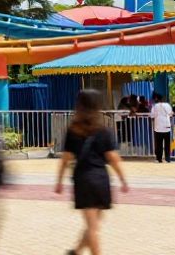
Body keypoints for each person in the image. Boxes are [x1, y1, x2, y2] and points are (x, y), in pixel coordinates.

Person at [54, 89, 129, 255]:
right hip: (101, 180)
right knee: (94, 225)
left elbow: (66, 159)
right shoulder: (104, 130)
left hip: (83, 180)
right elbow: (113, 158)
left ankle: (78, 251)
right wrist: (123, 180)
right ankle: (77, 251)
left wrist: (59, 181)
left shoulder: (73, 130)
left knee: (92, 227)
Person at [150, 92, 173, 163]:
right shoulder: (167, 105)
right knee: (167, 144)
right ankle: (167, 158)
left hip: (158, 127)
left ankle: (159, 158)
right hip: (167, 126)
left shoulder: (154, 106)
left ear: (156, 99)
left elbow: (152, 116)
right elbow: (171, 114)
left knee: (159, 144)